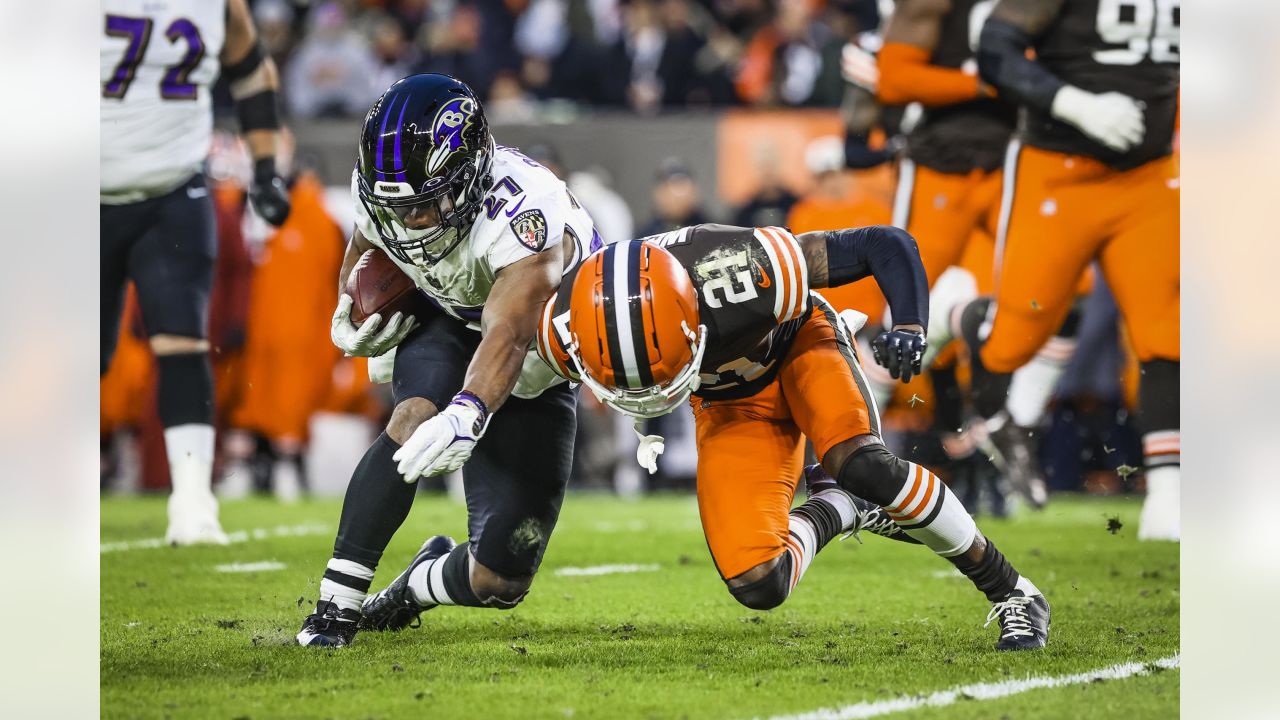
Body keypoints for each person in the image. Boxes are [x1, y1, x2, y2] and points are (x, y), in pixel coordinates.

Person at [537, 225, 1051, 650]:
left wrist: (911, 326)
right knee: (758, 580)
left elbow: (886, 244)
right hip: (729, 402)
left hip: (799, 348)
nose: (645, 391)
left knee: (863, 464)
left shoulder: (742, 269)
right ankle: (843, 507)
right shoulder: (561, 327)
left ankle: (1013, 591)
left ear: (693, 317)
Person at [297, 74, 598, 647]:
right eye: (400, 207)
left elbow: (509, 332)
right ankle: (335, 606)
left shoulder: (525, 211)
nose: (411, 223)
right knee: (411, 419)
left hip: (536, 359)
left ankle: (417, 584)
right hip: (447, 320)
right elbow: (368, 242)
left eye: (426, 206)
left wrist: (469, 410)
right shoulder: (386, 190)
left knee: (500, 579)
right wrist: (350, 308)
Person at [932, 0, 1180, 540]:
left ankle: (1171, 489)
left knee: (1169, 328)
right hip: (1058, 171)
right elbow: (995, 46)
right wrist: (1073, 103)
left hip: (1151, 172)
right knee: (1012, 340)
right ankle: (954, 315)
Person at [101, 0, 292, 545]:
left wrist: (264, 170)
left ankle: (192, 501)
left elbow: (251, 67)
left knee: (184, 343)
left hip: (173, 191)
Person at [874, 0, 1068, 508]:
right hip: (942, 163)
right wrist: (989, 82)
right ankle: (849, 446)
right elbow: (891, 81)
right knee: (897, 316)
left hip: (1010, 160)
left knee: (1045, 298)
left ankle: (1014, 423)